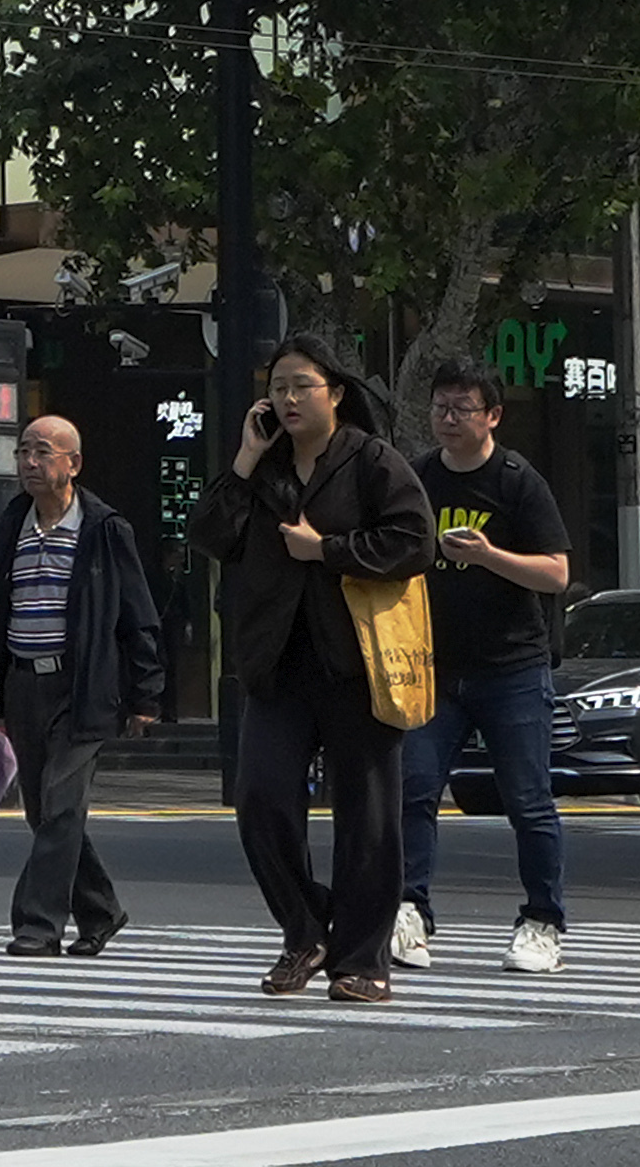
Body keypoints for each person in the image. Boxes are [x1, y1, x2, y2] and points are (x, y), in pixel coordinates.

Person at [198, 332, 437, 1004]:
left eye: (302, 385)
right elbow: (212, 535)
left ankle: (363, 959)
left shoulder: (371, 461)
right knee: (261, 802)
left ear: (335, 392)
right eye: (277, 387)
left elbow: (415, 541)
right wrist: (245, 458)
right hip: (277, 665)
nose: (288, 398)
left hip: (358, 666)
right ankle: (305, 931)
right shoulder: (264, 469)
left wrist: (327, 550)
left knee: (369, 819)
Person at [0, 410, 168, 959]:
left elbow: (137, 615)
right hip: (24, 683)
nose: (30, 462)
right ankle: (101, 910)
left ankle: (37, 924)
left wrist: (146, 693)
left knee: (63, 805)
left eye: (42, 451)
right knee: (43, 813)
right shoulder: (12, 524)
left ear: (74, 464)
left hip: (82, 688)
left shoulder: (104, 529)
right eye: (24, 451)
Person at [392, 368, 575, 972]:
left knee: (528, 800)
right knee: (414, 789)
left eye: (462, 409)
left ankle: (542, 921)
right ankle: (409, 910)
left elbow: (556, 574)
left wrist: (489, 555)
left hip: (512, 667)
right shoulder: (418, 477)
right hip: (435, 667)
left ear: (492, 415)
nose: (448, 419)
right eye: (441, 407)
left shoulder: (518, 482)